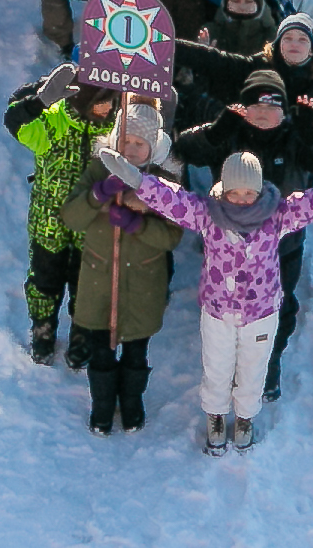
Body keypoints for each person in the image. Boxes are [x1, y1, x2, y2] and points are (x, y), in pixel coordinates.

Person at [92, 143, 313, 451]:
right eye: (235, 193)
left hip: (261, 313)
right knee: (217, 367)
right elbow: (171, 199)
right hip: (218, 311)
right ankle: (216, 415)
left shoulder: (276, 216)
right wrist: (138, 180)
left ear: (260, 191)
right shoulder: (207, 215)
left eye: (249, 193)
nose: (242, 200)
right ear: (223, 190)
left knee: (253, 368)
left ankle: (246, 416)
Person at [67, 99, 181, 433]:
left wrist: (137, 225)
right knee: (101, 350)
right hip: (100, 278)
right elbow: (72, 218)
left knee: (135, 351)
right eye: (125, 141)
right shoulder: (98, 170)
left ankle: (131, 401)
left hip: (143, 282)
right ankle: (102, 405)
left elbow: (172, 236)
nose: (130, 149)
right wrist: (98, 194)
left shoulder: (163, 179)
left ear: (153, 146)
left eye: (139, 144)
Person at [4, 67, 120, 367]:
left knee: (87, 282)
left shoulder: (114, 131)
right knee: (45, 277)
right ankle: (43, 327)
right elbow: (15, 120)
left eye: (111, 100)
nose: (107, 107)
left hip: (92, 221)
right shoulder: (54, 120)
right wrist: (39, 102)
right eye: (101, 100)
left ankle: (82, 331)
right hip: (49, 219)